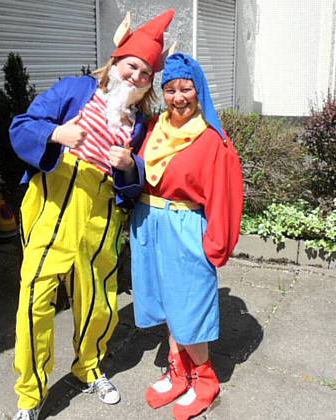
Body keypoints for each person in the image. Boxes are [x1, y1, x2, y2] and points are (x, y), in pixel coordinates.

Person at [9, 10, 175, 420]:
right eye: (132, 66)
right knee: (34, 301)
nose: (136, 77)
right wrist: (55, 133)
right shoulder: (74, 90)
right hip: (52, 206)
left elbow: (137, 185)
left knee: (99, 300)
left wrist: (128, 167)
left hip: (100, 218)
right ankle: (31, 396)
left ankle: (89, 367)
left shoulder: (141, 125)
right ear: (116, 61)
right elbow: (21, 126)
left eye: (145, 74)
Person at [129, 53, 244, 420]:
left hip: (185, 227)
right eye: (171, 89)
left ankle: (205, 379)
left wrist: (216, 244)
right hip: (150, 223)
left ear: (199, 90)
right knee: (165, 301)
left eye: (186, 88)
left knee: (189, 304)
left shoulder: (211, 140)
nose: (179, 97)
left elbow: (226, 195)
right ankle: (180, 370)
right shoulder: (152, 129)